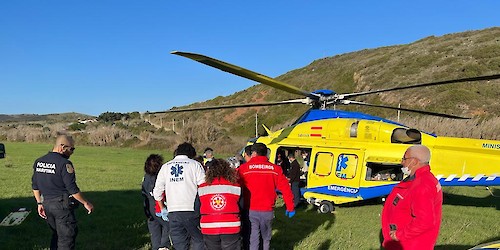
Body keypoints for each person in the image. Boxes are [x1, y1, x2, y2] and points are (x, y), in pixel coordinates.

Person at [31, 134, 94, 250]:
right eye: (71, 149)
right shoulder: (64, 164)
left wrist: (39, 203)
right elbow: (72, 188)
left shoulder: (39, 161)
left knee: (56, 234)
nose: (72, 152)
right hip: (61, 207)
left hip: (47, 205)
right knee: (66, 238)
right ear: (62, 147)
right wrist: (85, 202)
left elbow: (35, 186)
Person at [381, 145, 443, 250]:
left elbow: (425, 221)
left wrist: (399, 235)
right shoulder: (422, 179)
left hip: (410, 244)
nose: (402, 162)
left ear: (414, 162)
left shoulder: (422, 185)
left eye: (404, 159)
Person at [238, 143, 295, 250]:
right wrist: (290, 207)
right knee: (266, 238)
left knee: (253, 238)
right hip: (267, 210)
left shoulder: (243, 169)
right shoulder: (275, 169)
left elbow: (235, 187)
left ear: (254, 153)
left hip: (250, 209)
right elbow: (286, 189)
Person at [153, 142, 206, 250]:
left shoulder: (165, 167)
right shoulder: (194, 165)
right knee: (198, 240)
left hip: (173, 212)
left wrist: (163, 208)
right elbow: (204, 186)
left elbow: (157, 192)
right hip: (192, 210)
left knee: (179, 244)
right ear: (191, 153)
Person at [198, 159, 242, 250]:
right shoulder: (235, 186)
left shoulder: (202, 187)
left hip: (209, 226)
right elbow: (241, 206)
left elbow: (197, 207)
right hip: (231, 226)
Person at [141, 154, 172, 250]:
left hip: (149, 209)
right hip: (159, 207)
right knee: (169, 225)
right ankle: (163, 246)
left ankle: (157, 247)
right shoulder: (160, 178)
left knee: (155, 233)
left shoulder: (145, 177)